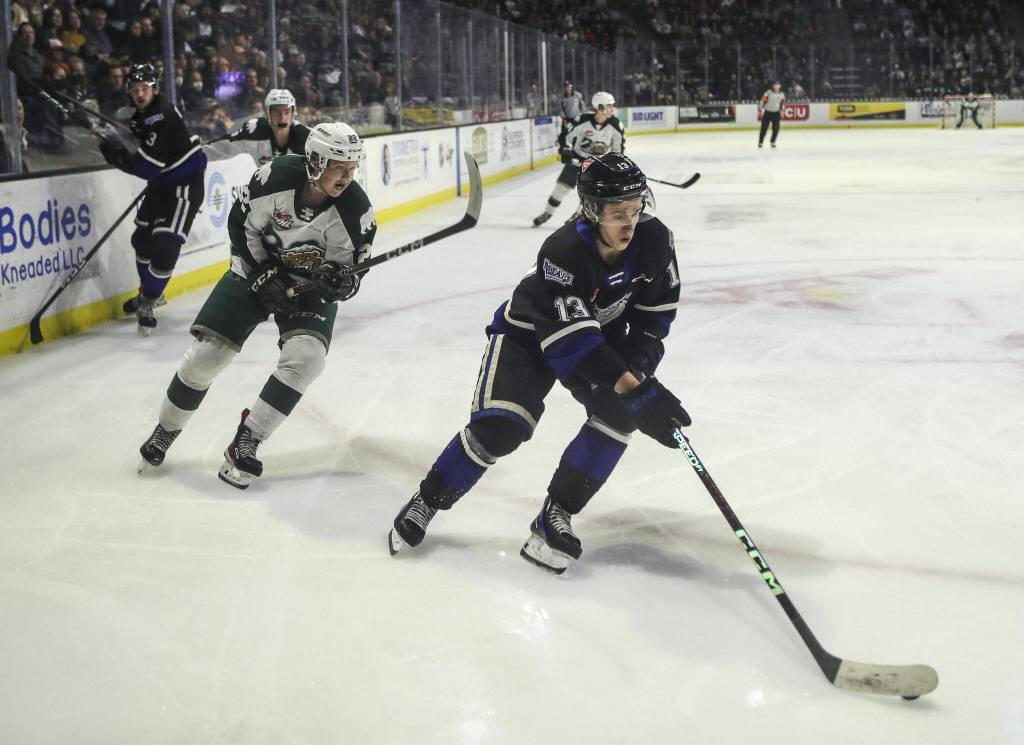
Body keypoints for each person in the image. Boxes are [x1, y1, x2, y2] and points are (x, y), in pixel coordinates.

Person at [389, 153, 690, 574]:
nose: (630, 223)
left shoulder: (655, 241)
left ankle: (554, 517)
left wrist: (638, 378)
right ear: (591, 210)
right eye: (618, 213)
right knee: (501, 428)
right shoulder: (563, 251)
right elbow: (576, 341)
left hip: (596, 340)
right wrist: (636, 390)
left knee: (620, 415)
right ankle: (428, 499)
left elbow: (653, 319)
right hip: (527, 338)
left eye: (637, 209)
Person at [136, 122, 377, 490]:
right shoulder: (272, 179)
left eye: (351, 167)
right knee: (207, 357)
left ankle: (248, 439)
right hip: (254, 269)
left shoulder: (356, 211)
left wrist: (340, 282)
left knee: (307, 358)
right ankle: (165, 430)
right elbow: (240, 226)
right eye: (338, 166)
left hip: (306, 286)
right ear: (314, 163)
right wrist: (263, 274)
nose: (347, 176)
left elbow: (348, 275)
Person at [97, 63, 207, 334]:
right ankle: (151, 293)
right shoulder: (141, 117)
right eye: (135, 89)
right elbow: (145, 147)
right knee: (142, 242)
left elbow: (146, 166)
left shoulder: (160, 114)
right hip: (162, 184)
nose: (140, 94)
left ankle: (148, 300)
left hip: (182, 186)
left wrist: (112, 151)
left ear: (154, 89)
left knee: (166, 247)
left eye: (144, 88)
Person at [533, 91, 624, 227]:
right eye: (609, 106)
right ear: (600, 108)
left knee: (589, 197)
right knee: (560, 189)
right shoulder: (582, 120)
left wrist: (613, 164)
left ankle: (575, 219)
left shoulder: (616, 125)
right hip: (577, 162)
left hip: (596, 167)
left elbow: (619, 150)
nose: (612, 109)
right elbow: (565, 137)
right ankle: (547, 213)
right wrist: (565, 150)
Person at [203, 88, 310, 166]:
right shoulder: (254, 131)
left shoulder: (307, 138)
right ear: (268, 113)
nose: (282, 118)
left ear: (293, 114)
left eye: (287, 112)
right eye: (277, 112)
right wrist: (196, 155)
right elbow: (221, 147)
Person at [758, 81, 785, 148]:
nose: (776, 86)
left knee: (776, 128)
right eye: (775, 85)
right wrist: (759, 109)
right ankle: (761, 142)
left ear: (780, 86)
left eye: (778, 85)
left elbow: (782, 104)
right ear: (773, 86)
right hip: (768, 113)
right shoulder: (768, 92)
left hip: (776, 114)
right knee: (764, 128)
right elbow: (763, 100)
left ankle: (773, 141)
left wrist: (782, 111)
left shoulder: (781, 94)